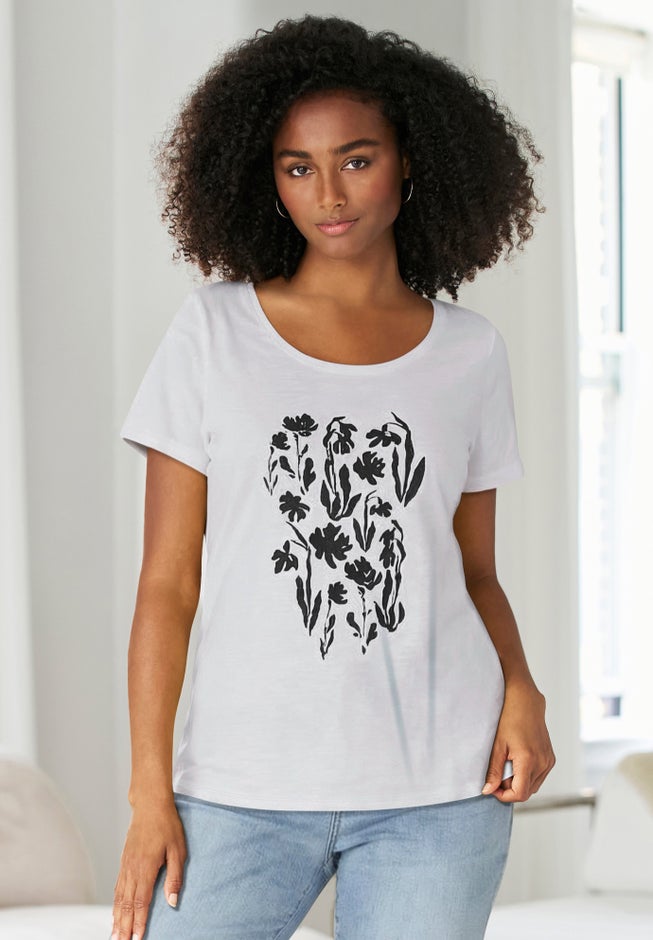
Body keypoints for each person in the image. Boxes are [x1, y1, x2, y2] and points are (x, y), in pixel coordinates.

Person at [112, 13, 555, 940]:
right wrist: (150, 793)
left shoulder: (470, 353)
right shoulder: (212, 333)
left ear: (410, 161)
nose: (328, 194)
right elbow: (167, 584)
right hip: (238, 791)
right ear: (265, 178)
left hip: (440, 793)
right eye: (296, 167)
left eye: (356, 159)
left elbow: (474, 572)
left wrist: (522, 686)